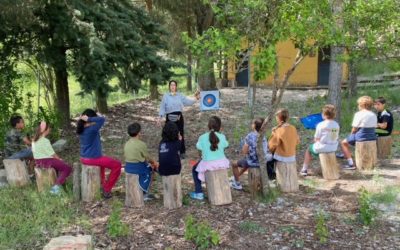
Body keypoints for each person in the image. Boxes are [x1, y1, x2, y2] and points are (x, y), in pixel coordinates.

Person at [77, 109, 122, 199]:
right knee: (117, 165)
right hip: (92, 159)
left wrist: (86, 119)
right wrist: (90, 119)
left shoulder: (81, 129)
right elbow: (102, 119)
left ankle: (102, 183)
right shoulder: (92, 129)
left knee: (102, 163)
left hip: (84, 158)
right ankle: (107, 189)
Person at [158, 80, 200, 159]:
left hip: (179, 118)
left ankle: (182, 152)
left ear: (176, 86)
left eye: (174, 85)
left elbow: (188, 102)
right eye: (171, 85)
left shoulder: (180, 95)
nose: (173, 86)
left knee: (180, 134)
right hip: (169, 118)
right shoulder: (166, 96)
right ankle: (169, 151)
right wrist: (160, 117)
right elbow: (162, 107)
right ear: (169, 87)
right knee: (168, 134)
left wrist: (196, 98)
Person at [190, 116, 230, 200]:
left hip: (208, 164)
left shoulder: (202, 137)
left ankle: (199, 192)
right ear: (220, 127)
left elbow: (199, 148)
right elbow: (226, 145)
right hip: (222, 163)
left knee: (194, 169)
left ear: (208, 126)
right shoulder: (222, 136)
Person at [230, 118, 273, 190]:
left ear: (254, 126)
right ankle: (236, 176)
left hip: (252, 162)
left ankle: (237, 183)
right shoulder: (264, 136)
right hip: (262, 161)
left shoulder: (250, 136)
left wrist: (243, 148)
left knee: (234, 164)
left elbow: (244, 151)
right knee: (246, 162)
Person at [32, 121, 72, 194]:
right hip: (47, 161)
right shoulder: (45, 140)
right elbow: (53, 154)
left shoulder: (34, 140)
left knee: (60, 166)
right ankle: (56, 187)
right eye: (49, 128)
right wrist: (60, 159)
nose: (50, 129)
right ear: (45, 130)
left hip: (38, 162)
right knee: (67, 168)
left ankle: (61, 186)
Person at [300, 105, 340, 176]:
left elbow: (316, 139)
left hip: (322, 147)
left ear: (324, 115)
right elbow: (334, 137)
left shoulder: (320, 125)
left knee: (309, 149)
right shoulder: (336, 125)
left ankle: (304, 169)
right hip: (333, 147)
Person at [124, 122, 158, 201]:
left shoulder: (127, 143)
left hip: (128, 167)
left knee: (147, 166)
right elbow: (147, 157)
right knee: (150, 169)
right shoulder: (141, 144)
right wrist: (154, 163)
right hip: (138, 167)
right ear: (139, 133)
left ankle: (142, 191)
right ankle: (144, 192)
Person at [340, 96, 377, 169]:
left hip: (361, 136)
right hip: (372, 136)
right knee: (350, 140)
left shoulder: (359, 114)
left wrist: (351, 135)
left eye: (358, 104)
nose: (358, 106)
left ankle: (351, 163)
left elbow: (354, 129)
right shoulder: (373, 114)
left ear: (362, 105)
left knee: (343, 143)